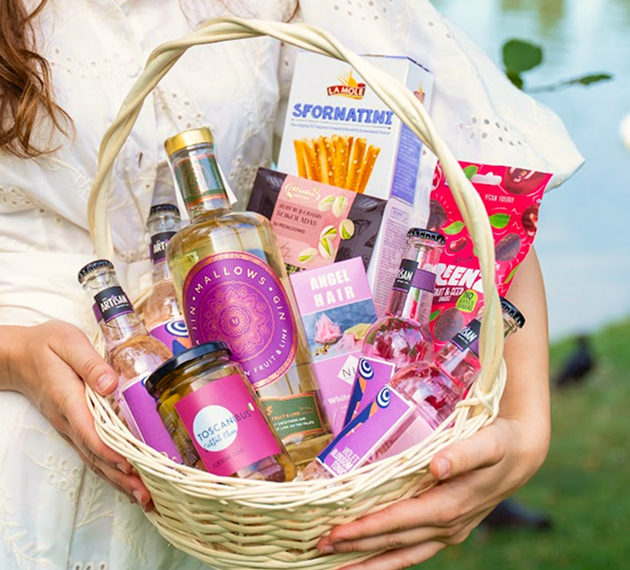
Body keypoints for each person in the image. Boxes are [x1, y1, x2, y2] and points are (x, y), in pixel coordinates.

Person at [0, 1, 583, 569]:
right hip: (28, 442)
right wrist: (17, 355)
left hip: (265, 500)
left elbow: (483, 199)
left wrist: (526, 427)